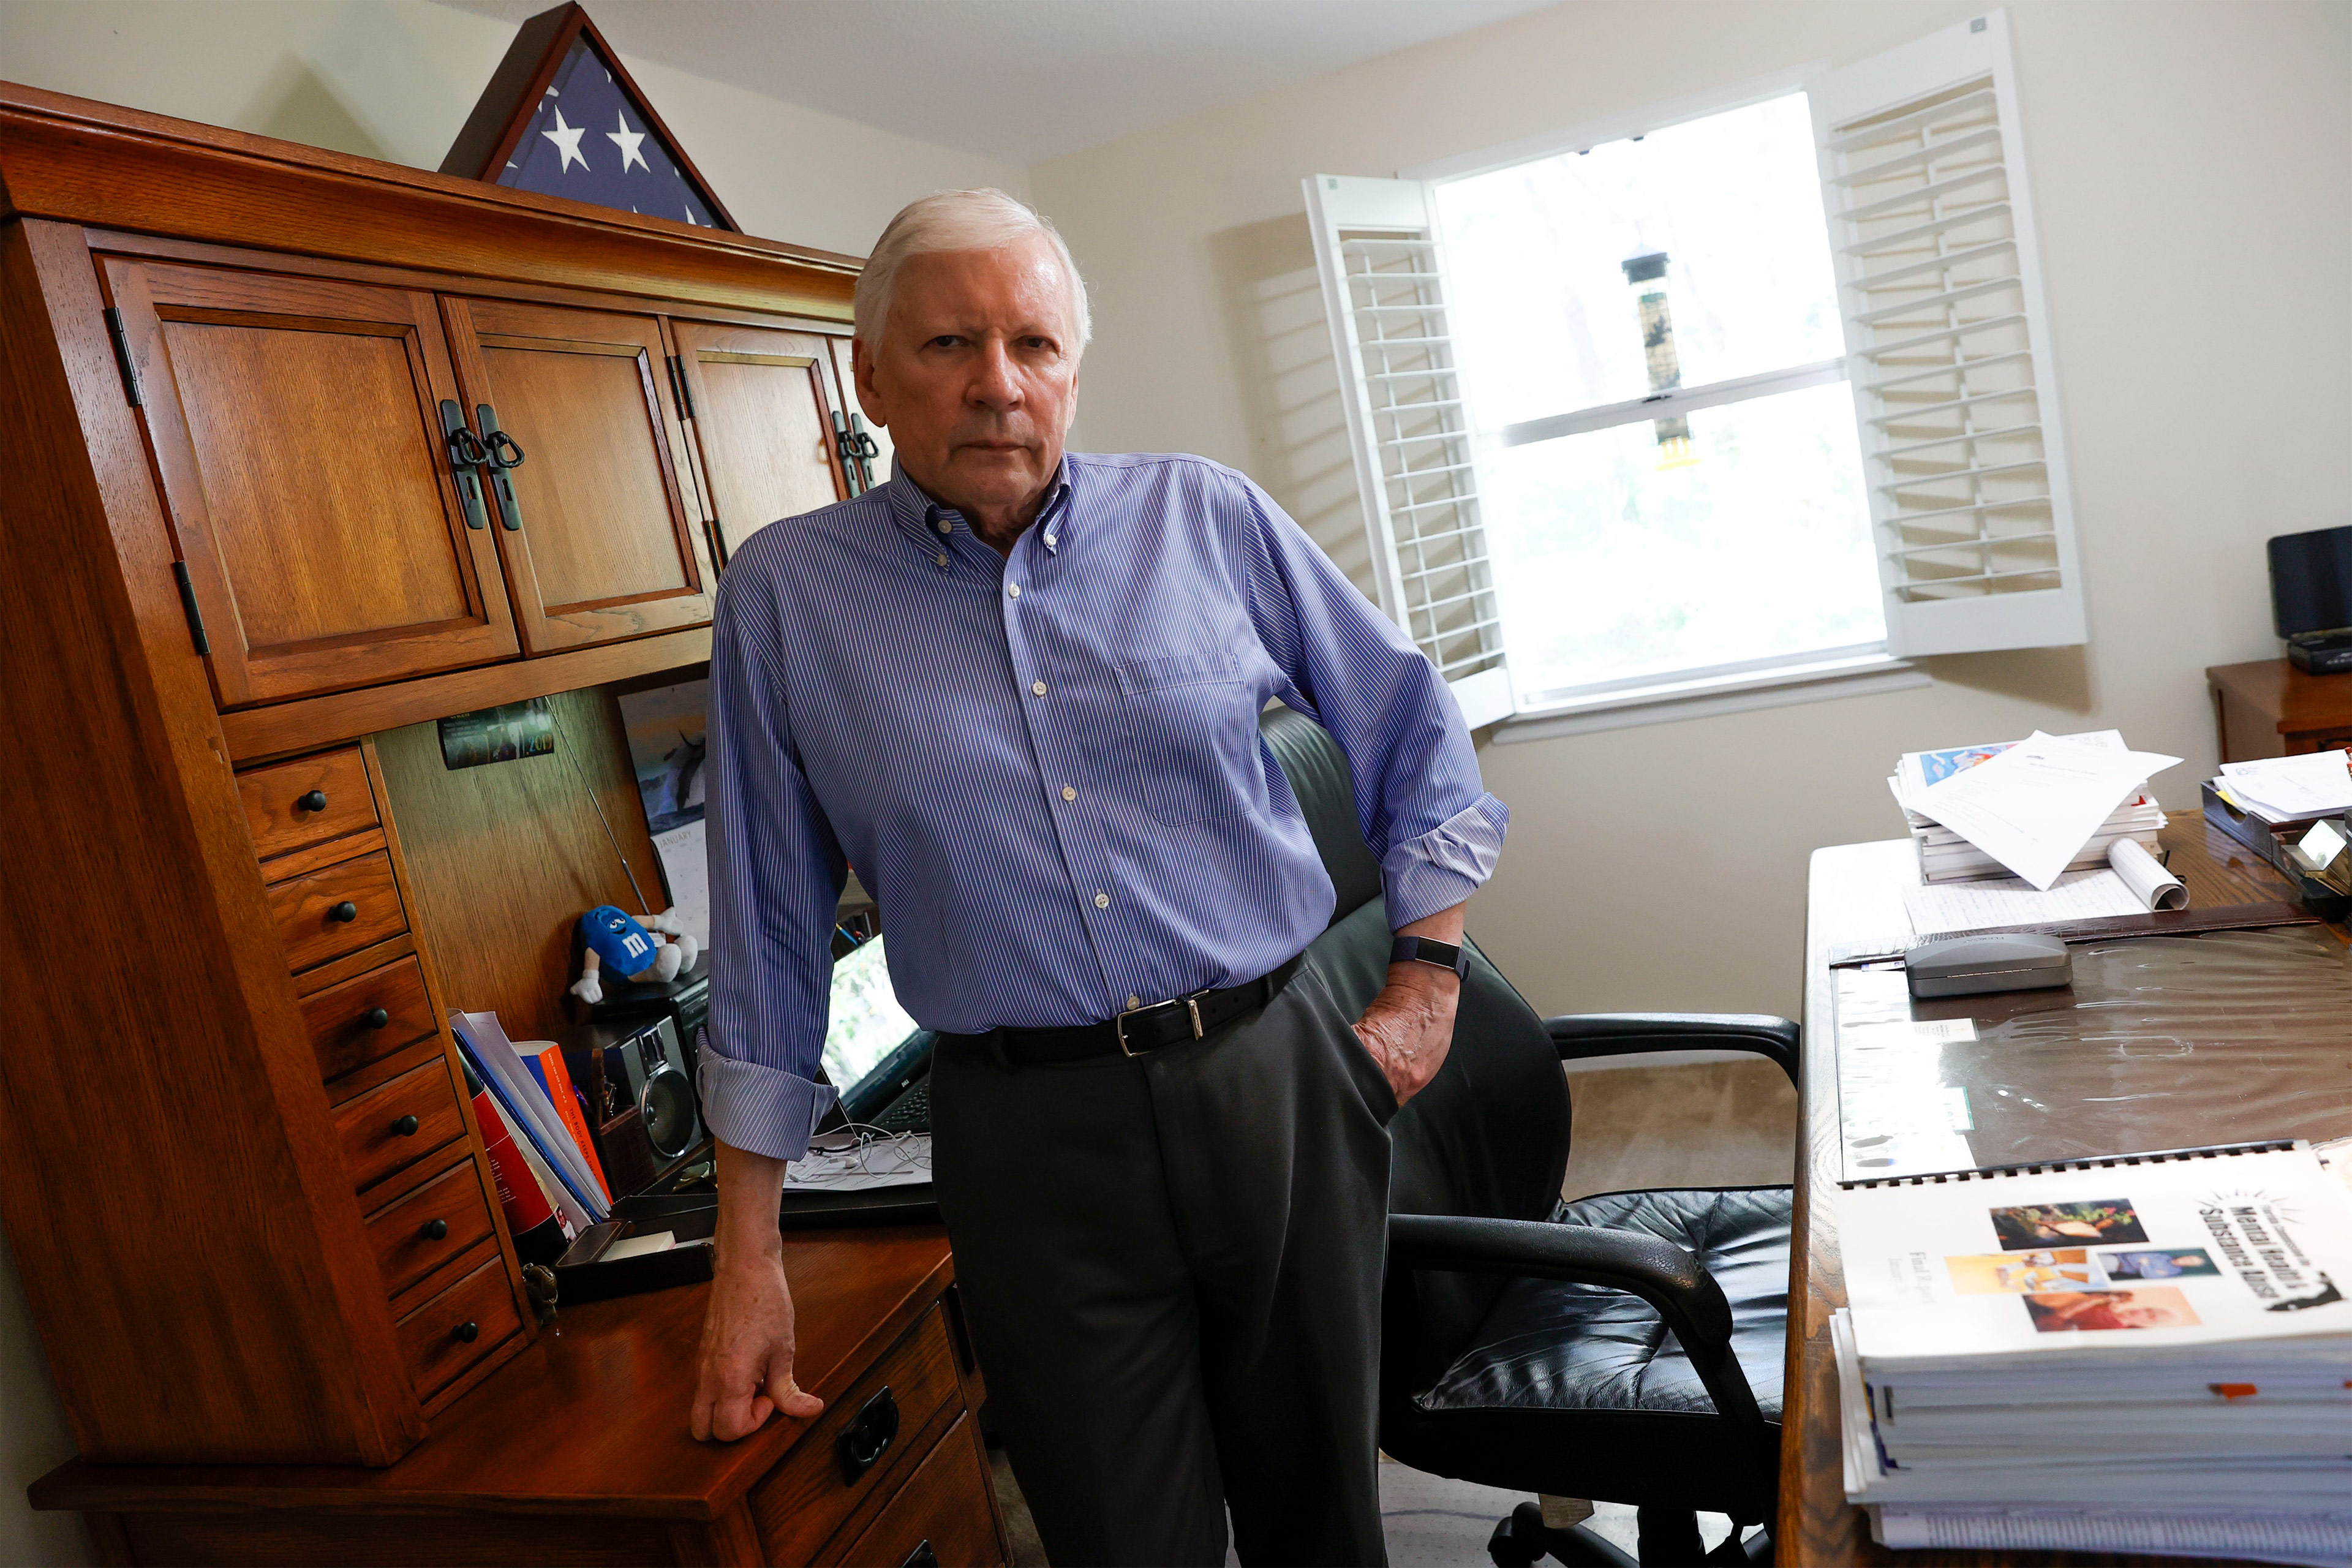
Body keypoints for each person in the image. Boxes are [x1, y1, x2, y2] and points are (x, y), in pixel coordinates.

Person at [685, 188, 1507, 1567]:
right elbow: (769, 925)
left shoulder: (1204, 517)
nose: (998, 385)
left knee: (1326, 1516)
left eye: (1033, 345)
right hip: (1026, 1132)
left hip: (1278, 1075)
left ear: (1073, 365)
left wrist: (1426, 977)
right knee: (1121, 1533)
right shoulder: (783, 598)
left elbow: (1411, 725)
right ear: (872, 373)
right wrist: (746, 1252)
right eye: (949, 345)